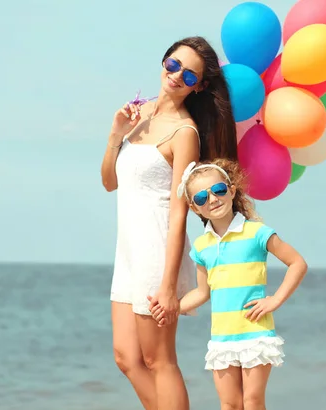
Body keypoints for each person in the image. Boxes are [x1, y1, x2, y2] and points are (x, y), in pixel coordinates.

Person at [100, 36, 238, 410]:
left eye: (189, 75)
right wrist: (115, 134)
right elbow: (109, 182)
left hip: (156, 254)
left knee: (160, 361)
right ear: (164, 62)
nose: (177, 76)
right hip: (127, 253)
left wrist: (168, 286)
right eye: (173, 64)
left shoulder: (185, 134)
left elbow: (179, 216)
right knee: (126, 358)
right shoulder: (137, 115)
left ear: (200, 86)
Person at [149, 158, 308, 410]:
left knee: (252, 401)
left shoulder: (257, 233)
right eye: (201, 197)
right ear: (194, 207)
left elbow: (298, 263)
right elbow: (202, 292)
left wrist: (275, 300)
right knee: (229, 404)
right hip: (222, 339)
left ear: (231, 191)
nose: (212, 199)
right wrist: (172, 307)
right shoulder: (202, 246)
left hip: (255, 334)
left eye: (218, 190)